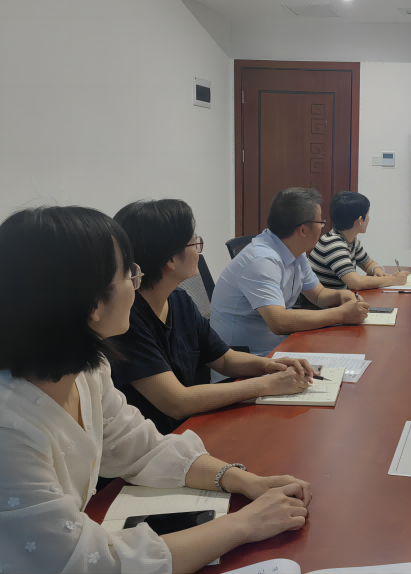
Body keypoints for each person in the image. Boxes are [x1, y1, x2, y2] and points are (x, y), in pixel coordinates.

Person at [0, 206, 312, 574]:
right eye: (128, 273)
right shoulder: (10, 427)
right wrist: (245, 524)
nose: (136, 282)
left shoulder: (89, 370)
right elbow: (86, 563)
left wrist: (246, 481)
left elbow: (143, 447)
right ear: (93, 304)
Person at [108, 199, 317, 435]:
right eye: (194, 243)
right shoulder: (127, 319)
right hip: (154, 441)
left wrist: (271, 366)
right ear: (170, 259)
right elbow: (177, 402)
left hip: (188, 428)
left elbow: (224, 359)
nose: (198, 252)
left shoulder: (179, 300)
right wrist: (267, 384)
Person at [210, 188, 369, 358]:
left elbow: (318, 295)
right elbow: (279, 322)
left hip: (282, 345)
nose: (323, 228)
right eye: (320, 222)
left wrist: (341, 296)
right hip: (248, 359)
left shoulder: (296, 252)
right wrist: (342, 314)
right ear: (303, 230)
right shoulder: (261, 260)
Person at [309, 191, 411, 291]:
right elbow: (355, 283)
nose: (369, 218)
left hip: (338, 298)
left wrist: (376, 269)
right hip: (322, 302)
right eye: (368, 214)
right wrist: (393, 280)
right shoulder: (333, 244)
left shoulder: (350, 240)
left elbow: (368, 264)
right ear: (360, 220)